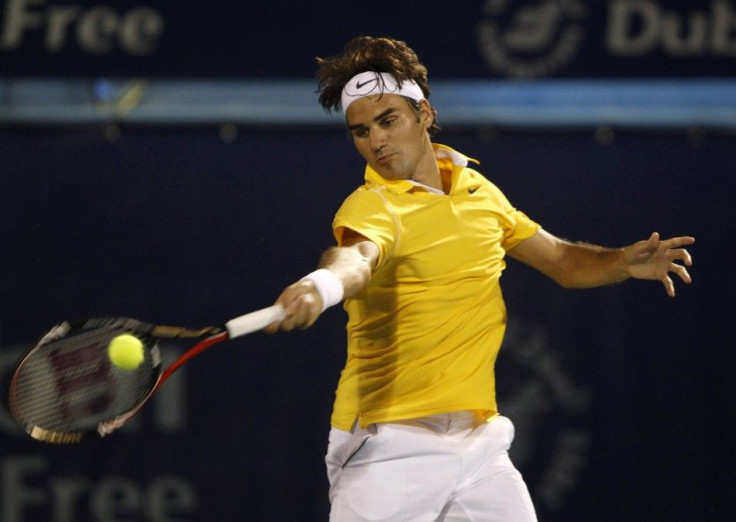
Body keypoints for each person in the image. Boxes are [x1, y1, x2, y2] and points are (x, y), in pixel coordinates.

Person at [265, 36, 694, 522]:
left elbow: (559, 260)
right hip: (386, 449)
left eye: (388, 121)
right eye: (361, 131)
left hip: (479, 445)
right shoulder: (372, 205)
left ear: (423, 114)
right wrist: (320, 287)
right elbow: (356, 257)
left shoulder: (478, 190)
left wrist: (621, 261)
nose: (376, 141)